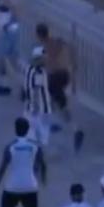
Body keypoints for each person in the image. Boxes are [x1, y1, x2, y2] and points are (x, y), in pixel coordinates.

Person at [35, 23, 83, 151]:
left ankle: (75, 130)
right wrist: (74, 64)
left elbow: (46, 64)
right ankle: (55, 123)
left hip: (55, 79)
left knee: (56, 104)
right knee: (53, 101)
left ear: (39, 36)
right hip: (64, 76)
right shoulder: (57, 41)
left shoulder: (45, 48)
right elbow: (68, 46)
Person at [22, 46, 52, 146]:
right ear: (39, 58)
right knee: (43, 131)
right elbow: (36, 89)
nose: (46, 59)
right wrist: (36, 105)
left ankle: (33, 150)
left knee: (30, 131)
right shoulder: (38, 71)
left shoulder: (29, 68)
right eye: (44, 57)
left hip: (29, 105)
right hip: (40, 107)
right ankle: (41, 151)